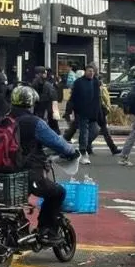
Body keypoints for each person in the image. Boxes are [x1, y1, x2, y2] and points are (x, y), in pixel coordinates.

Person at [8, 84, 81, 243]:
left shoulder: (4, 120)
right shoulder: (35, 123)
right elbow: (56, 142)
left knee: (14, 197)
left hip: (4, 172)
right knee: (58, 193)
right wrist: (71, 152)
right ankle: (47, 229)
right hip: (28, 173)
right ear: (31, 103)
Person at [67, 63, 118, 159]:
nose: (91, 73)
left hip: (96, 111)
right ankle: (83, 150)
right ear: (85, 71)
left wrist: (103, 108)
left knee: (96, 130)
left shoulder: (96, 82)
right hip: (83, 111)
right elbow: (73, 97)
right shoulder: (79, 82)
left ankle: (88, 146)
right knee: (84, 131)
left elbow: (98, 98)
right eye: (90, 71)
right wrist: (70, 111)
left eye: (93, 71)